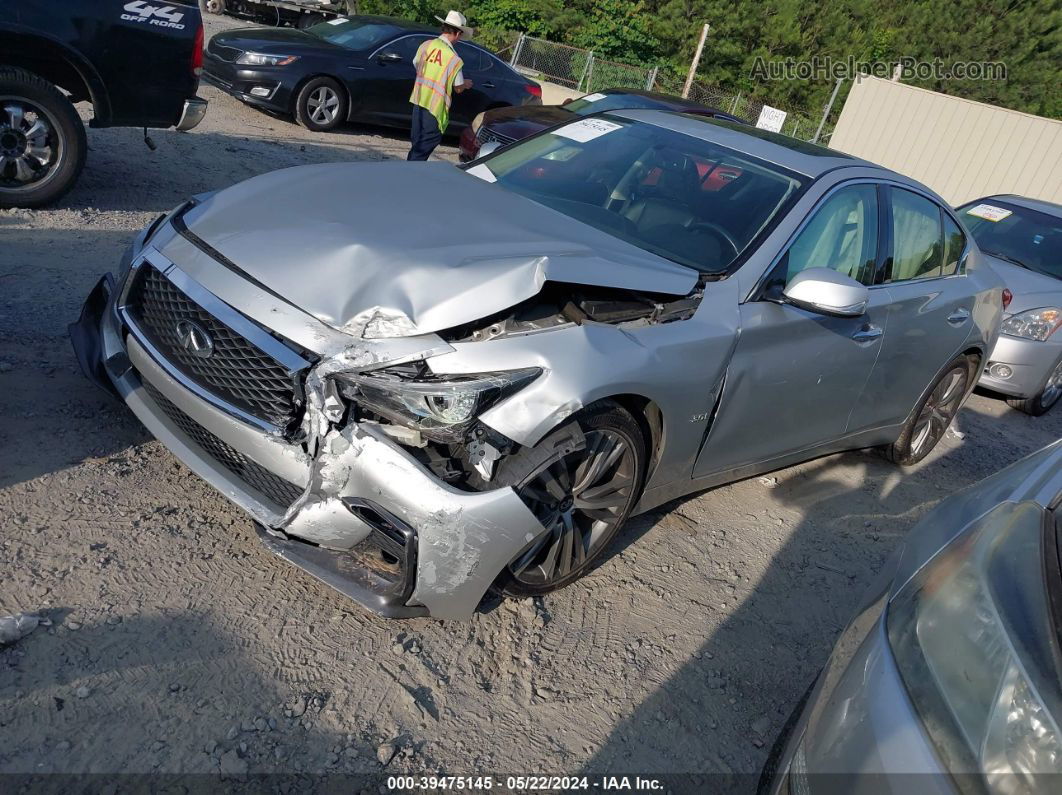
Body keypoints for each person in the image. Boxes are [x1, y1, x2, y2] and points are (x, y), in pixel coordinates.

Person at [407, 10, 474, 161]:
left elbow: (416, 64)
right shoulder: (453, 58)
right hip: (435, 106)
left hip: (419, 98)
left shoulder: (426, 45)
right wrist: (466, 84)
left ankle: (411, 168)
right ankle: (410, 169)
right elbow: (458, 87)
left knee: (417, 139)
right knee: (431, 138)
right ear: (457, 34)